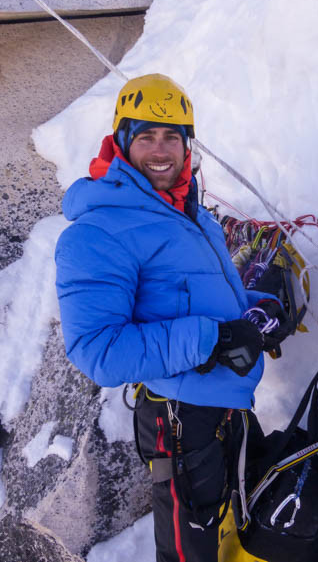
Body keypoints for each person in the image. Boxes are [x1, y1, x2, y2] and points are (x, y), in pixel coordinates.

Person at [54, 74, 292, 562]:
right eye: (146, 136)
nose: (160, 150)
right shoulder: (99, 231)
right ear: (121, 142)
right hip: (178, 417)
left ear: (188, 146)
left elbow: (194, 297)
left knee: (228, 527)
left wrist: (255, 307)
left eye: (172, 137)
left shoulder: (189, 213)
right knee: (189, 550)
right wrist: (214, 338)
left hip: (222, 405)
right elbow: (97, 350)